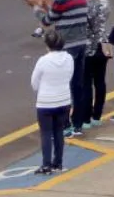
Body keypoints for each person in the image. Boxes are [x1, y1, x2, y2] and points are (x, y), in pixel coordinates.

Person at [31, 31, 74, 176]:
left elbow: (34, 83)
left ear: (47, 45)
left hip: (46, 102)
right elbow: (70, 76)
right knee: (58, 132)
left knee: (46, 133)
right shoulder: (69, 58)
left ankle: (46, 165)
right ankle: (58, 163)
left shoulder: (43, 61)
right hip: (64, 100)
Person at [82, 0, 112, 128]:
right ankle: (97, 115)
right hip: (101, 45)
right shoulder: (105, 4)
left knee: (86, 83)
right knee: (100, 81)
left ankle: (86, 118)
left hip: (86, 47)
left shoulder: (81, 5)